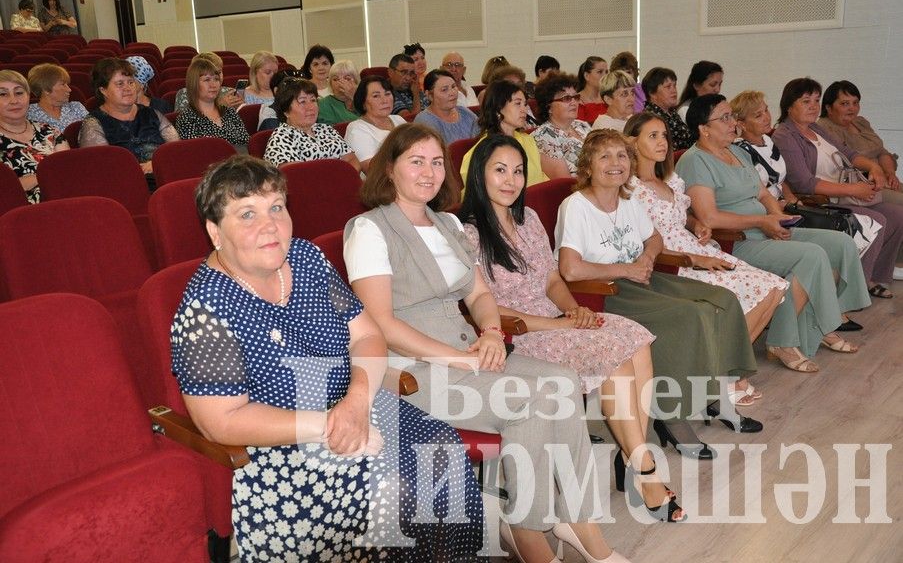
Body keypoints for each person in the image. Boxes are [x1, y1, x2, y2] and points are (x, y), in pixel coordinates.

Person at [172, 155, 484, 561]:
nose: (269, 225)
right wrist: (330, 426)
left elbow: (368, 335)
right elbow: (221, 421)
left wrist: (355, 401)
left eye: (276, 208)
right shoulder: (204, 308)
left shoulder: (306, 259)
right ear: (215, 232)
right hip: (283, 444)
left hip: (356, 405)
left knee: (441, 448)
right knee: (397, 489)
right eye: (247, 214)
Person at [344, 123, 632, 563]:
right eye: (415, 161)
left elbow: (479, 295)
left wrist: (493, 332)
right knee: (531, 400)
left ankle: (576, 519)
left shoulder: (447, 224)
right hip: (410, 370)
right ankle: (529, 534)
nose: (428, 172)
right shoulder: (369, 229)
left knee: (563, 382)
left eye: (436, 162)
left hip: (466, 352)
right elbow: (379, 323)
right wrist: (456, 359)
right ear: (389, 169)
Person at [459, 133, 685, 523]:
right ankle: (645, 471)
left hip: (555, 318)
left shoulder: (527, 218)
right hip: (517, 331)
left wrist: (574, 310)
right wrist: (557, 323)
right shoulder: (468, 233)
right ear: (479, 175)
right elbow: (486, 306)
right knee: (612, 355)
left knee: (635, 338)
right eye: (500, 171)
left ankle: (634, 455)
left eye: (517, 171)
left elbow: (551, 280)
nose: (511, 180)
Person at [556, 128, 762, 456]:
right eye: (604, 156)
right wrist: (628, 269)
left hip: (639, 277)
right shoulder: (577, 206)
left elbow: (654, 239)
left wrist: (647, 258)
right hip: (603, 290)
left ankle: (714, 396)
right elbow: (570, 269)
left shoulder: (627, 199)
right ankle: (672, 417)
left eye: (622, 155)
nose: (615, 163)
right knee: (689, 315)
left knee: (722, 300)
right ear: (587, 166)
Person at [678, 94, 871, 372]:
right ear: (703, 128)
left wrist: (778, 217)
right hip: (734, 242)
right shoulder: (695, 161)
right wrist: (762, 221)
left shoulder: (738, 151)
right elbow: (709, 217)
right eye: (725, 118)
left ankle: (821, 324)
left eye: (732, 115)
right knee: (811, 256)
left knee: (839, 243)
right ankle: (784, 340)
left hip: (764, 227)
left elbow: (763, 192)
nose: (734, 123)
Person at [624, 112, 786, 403]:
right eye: (652, 136)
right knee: (754, 290)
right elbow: (641, 242)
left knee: (774, 288)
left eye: (664, 135)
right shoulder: (630, 189)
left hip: (694, 246)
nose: (662, 142)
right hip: (671, 260)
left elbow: (678, 215)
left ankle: (725, 372)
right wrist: (691, 259)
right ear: (633, 143)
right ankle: (725, 376)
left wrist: (694, 223)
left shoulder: (669, 179)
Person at [772, 78, 903, 299]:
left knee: (898, 215)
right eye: (806, 101)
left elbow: (848, 153)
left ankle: (873, 277)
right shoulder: (784, 135)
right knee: (876, 221)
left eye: (816, 100)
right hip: (821, 201)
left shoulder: (815, 128)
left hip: (846, 194)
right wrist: (853, 190)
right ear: (789, 105)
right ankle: (853, 291)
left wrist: (874, 167)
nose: (813, 106)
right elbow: (805, 183)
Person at [731, 90, 883, 263]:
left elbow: (781, 179)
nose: (766, 117)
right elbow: (754, 191)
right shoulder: (740, 150)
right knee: (850, 228)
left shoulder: (767, 140)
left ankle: (852, 280)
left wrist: (789, 196)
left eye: (766, 110)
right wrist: (780, 205)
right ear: (741, 124)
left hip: (789, 204)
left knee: (853, 227)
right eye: (758, 115)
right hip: (770, 212)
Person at [79, 58, 179, 182]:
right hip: (126, 184)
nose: (128, 88)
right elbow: (102, 169)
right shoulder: (93, 124)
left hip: (165, 175)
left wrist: (156, 163)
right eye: (120, 84)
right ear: (103, 90)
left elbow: (176, 150)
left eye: (131, 82)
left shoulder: (152, 113)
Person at [817, 80, 902, 196]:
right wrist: (875, 169)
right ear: (828, 107)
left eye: (855, 103)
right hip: (860, 186)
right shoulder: (823, 128)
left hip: (883, 179)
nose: (852, 108)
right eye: (845, 104)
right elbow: (846, 160)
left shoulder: (861, 122)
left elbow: (882, 152)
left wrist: (890, 173)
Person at [459, 80, 548, 189]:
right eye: (517, 103)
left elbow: (540, 179)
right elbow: (475, 193)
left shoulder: (527, 140)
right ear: (498, 108)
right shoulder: (483, 150)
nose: (524, 110)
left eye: (525, 104)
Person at [0, 70, 68, 203]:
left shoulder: (50, 132)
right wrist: (45, 175)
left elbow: (67, 173)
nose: (14, 100)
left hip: (61, 203)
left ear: (28, 96)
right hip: (13, 213)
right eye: (3, 94)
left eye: (19, 93)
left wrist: (32, 179)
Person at [262, 78, 360, 171]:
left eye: (313, 100)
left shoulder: (326, 129)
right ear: (286, 110)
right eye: (302, 101)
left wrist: (342, 181)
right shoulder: (281, 138)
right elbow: (294, 175)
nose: (311, 107)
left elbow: (352, 160)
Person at [175, 58, 249, 148]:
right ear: (194, 84)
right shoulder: (186, 118)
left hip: (239, 160)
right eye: (207, 80)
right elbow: (196, 152)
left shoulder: (230, 112)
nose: (213, 85)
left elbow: (246, 143)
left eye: (216, 79)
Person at [531, 72, 589, 178]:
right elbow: (563, 182)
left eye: (576, 97)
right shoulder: (543, 136)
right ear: (548, 107)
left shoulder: (582, 125)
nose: (574, 102)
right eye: (566, 98)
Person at [345, 76, 406, 173]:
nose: (384, 100)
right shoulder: (357, 129)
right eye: (376, 96)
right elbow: (372, 171)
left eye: (387, 94)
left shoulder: (399, 120)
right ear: (363, 102)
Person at [414, 69, 479, 145]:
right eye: (444, 90)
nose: (452, 93)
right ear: (429, 95)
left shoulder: (464, 112)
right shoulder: (424, 121)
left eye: (453, 87)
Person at [26, 63, 89, 133]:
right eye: (63, 84)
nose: (69, 90)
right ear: (46, 89)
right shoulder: (29, 113)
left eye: (67, 85)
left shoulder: (76, 107)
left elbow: (94, 132)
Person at [642, 67, 692, 150]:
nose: (674, 91)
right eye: (668, 87)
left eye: (674, 85)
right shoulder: (649, 117)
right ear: (652, 93)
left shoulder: (673, 113)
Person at [175, 53, 243, 111]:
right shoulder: (185, 93)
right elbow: (184, 122)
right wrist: (219, 106)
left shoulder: (230, 92)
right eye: (208, 78)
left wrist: (241, 108)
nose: (218, 78)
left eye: (219, 72)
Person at [316, 60, 360, 125]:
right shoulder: (323, 104)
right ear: (330, 83)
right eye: (336, 79)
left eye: (347, 79)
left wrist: (354, 97)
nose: (341, 83)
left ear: (356, 82)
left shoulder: (365, 101)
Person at [575, 56, 608, 124]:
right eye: (600, 72)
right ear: (587, 76)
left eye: (606, 72)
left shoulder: (609, 99)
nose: (605, 76)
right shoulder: (576, 101)